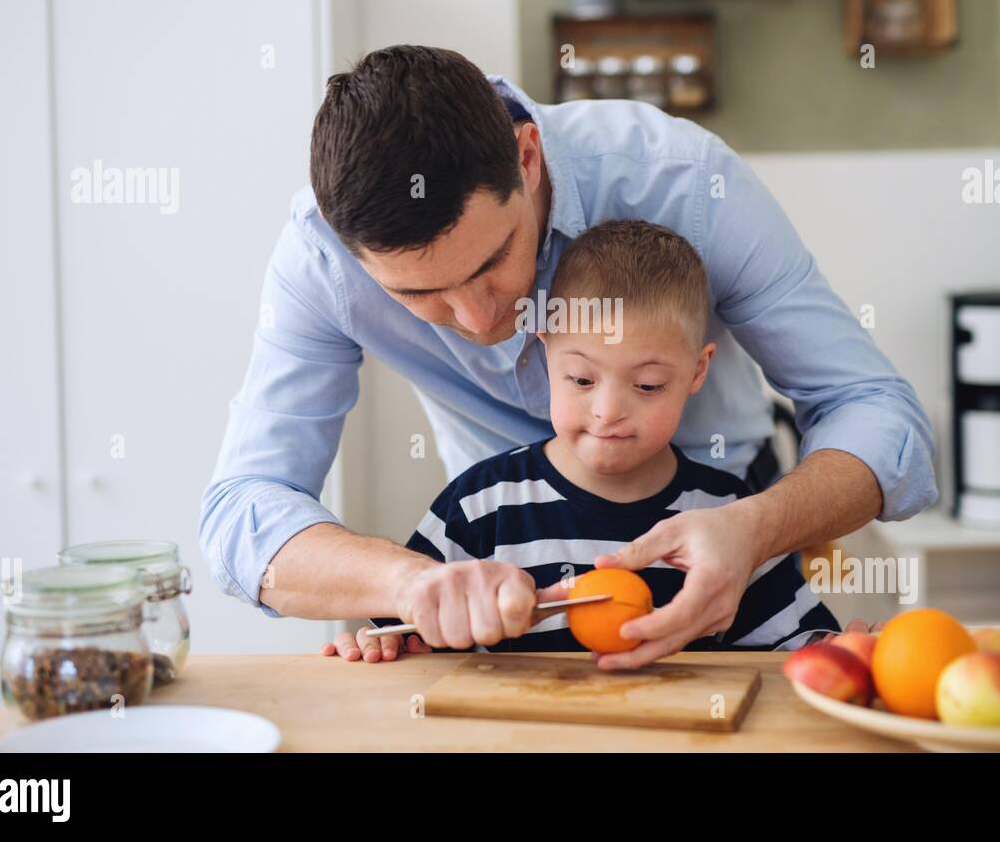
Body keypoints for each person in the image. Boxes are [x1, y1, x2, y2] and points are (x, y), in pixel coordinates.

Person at [201, 45, 936, 670]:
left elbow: (876, 410)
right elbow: (243, 509)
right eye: (422, 295)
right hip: (503, 549)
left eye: (494, 261)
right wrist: (410, 587)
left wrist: (756, 529)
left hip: (726, 530)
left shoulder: (684, 180)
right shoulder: (320, 258)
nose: (482, 319)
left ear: (527, 158)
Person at [341, 220, 844, 663]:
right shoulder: (480, 505)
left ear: (698, 371)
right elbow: (406, 631)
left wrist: (845, 651)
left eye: (647, 386)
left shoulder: (724, 516)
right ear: (546, 354)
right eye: (582, 380)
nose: (607, 411)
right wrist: (377, 642)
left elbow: (797, 648)